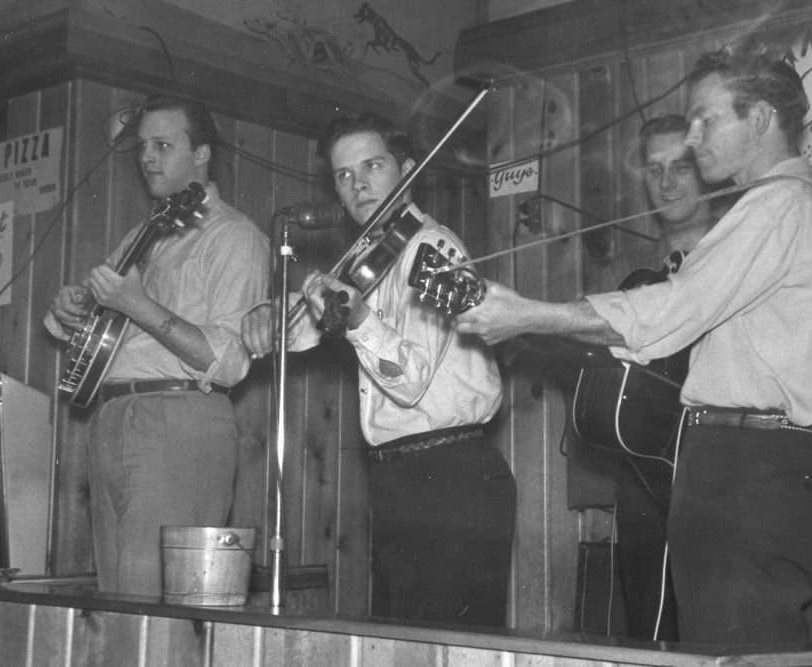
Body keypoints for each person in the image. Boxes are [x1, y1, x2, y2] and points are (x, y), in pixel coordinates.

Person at [457, 50, 812, 646]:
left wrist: (526, 314)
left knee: (732, 654)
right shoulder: (802, 209)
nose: (694, 139)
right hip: (765, 470)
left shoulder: (776, 208)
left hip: (744, 472)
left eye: (706, 118)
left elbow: (669, 311)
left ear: (761, 118)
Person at [242, 112, 515, 627]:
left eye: (372, 165)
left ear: (408, 170)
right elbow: (301, 329)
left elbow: (410, 380)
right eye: (343, 175)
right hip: (398, 476)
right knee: (401, 642)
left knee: (450, 645)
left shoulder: (432, 247)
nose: (357, 183)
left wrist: (360, 318)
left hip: (452, 473)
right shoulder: (365, 257)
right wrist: (270, 312)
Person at [45, 95, 271, 596]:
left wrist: (135, 303)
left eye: (163, 144)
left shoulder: (235, 237)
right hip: (111, 416)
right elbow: (106, 326)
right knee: (118, 598)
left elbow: (228, 361)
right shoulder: (143, 235)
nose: (147, 156)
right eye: (143, 146)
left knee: (150, 606)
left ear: (201, 154)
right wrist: (73, 310)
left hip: (178, 419)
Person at [610, 113, 720, 642]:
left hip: (714, 475)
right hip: (644, 478)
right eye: (655, 169)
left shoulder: (734, 258)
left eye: (682, 166)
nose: (668, 181)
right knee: (647, 633)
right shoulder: (643, 274)